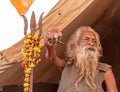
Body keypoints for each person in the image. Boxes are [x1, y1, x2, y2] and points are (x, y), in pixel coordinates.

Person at [44, 26, 118, 92]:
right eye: (87, 39)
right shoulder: (67, 65)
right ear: (74, 46)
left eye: (94, 41)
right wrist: (49, 45)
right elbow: (52, 57)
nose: (91, 43)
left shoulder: (105, 70)